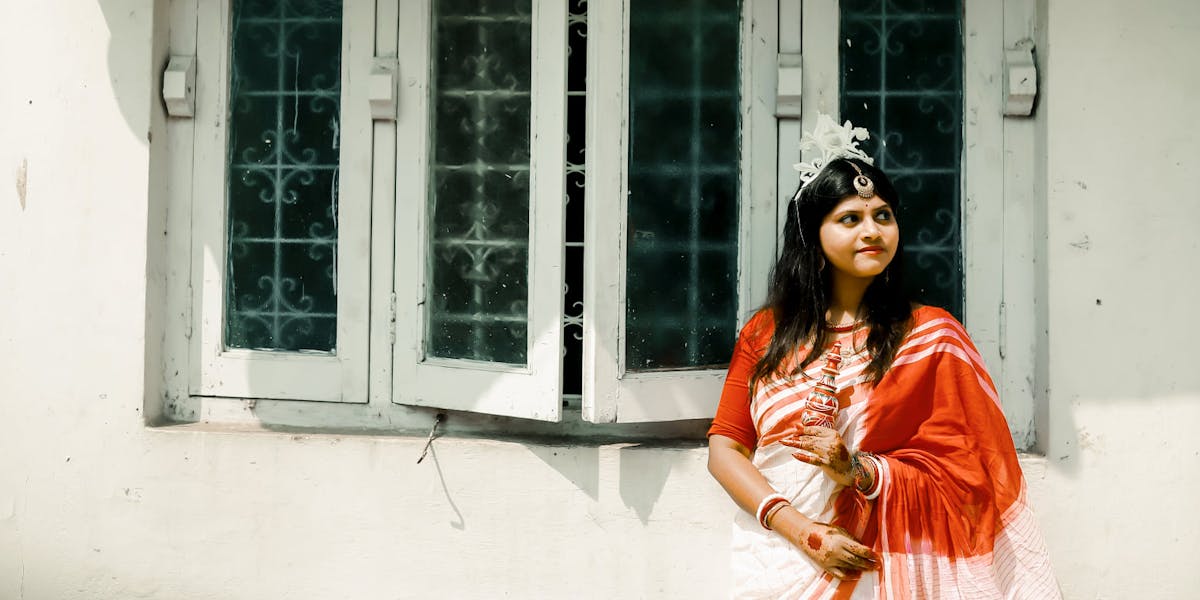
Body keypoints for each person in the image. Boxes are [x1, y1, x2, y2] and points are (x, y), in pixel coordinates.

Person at [707, 116, 1060, 599]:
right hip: (780, 561)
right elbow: (725, 451)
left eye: (883, 216)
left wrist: (859, 472)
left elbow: (971, 471)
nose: (872, 231)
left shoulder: (931, 335)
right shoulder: (765, 334)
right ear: (813, 235)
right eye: (850, 218)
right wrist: (803, 531)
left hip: (889, 563)